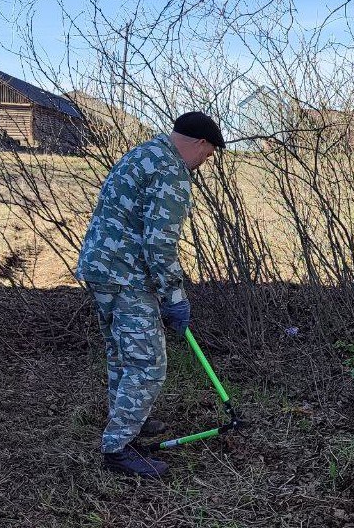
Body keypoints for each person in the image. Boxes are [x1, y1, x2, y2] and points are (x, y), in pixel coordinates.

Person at [76, 112, 224, 477]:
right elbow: (159, 244)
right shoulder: (172, 171)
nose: (203, 164)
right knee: (148, 365)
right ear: (201, 144)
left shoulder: (144, 153)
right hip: (127, 278)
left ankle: (130, 421)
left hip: (101, 269)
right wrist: (174, 297)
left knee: (121, 355)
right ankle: (118, 448)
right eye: (206, 157)